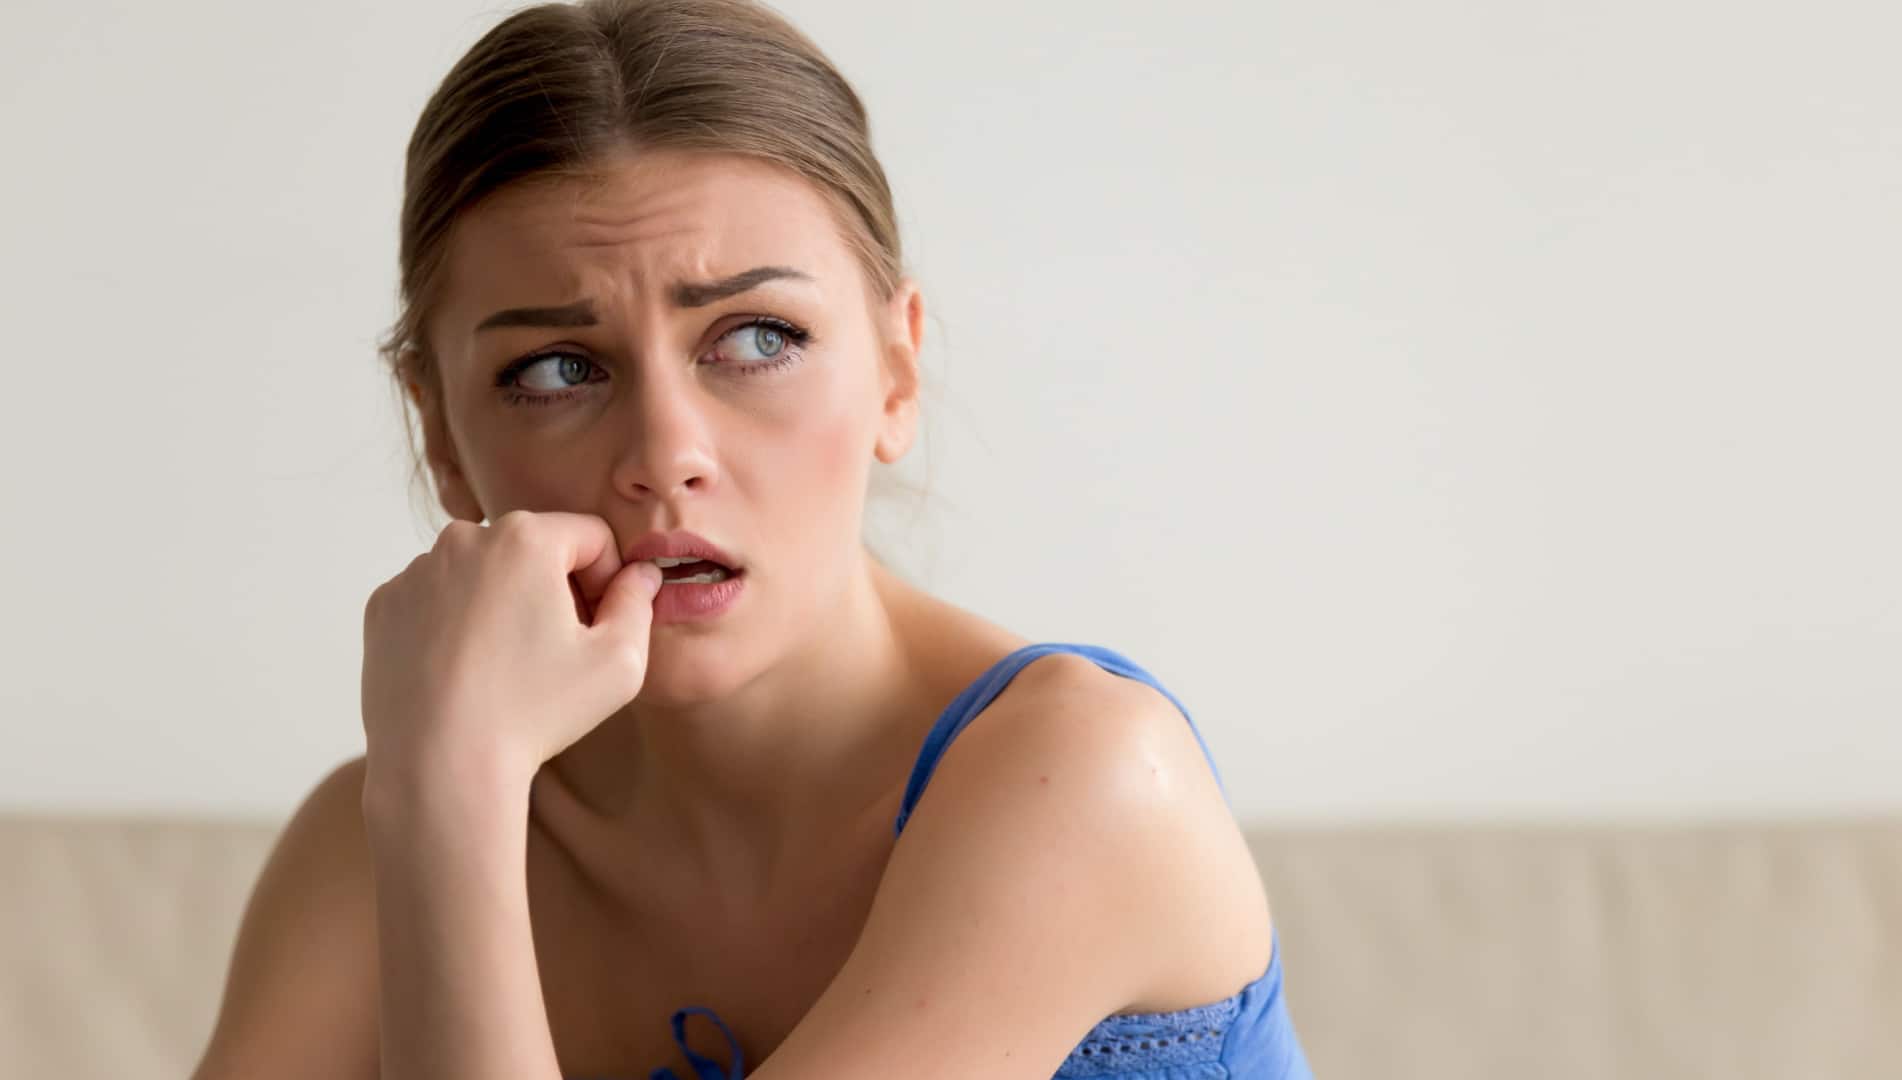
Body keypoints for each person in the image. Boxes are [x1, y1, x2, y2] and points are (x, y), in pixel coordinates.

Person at [190, 1, 1313, 1077]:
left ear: (897, 367)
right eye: (555, 369)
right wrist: (447, 793)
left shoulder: (1085, 776)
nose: (665, 453)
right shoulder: (384, 830)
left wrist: (449, 794)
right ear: (437, 427)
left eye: (758, 337)